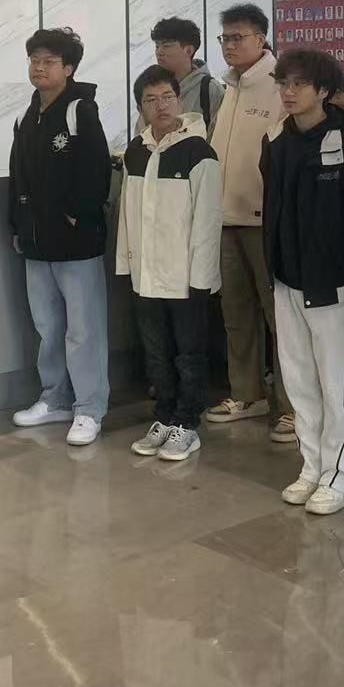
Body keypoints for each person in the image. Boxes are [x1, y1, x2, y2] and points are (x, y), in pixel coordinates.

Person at [262, 49, 344, 515]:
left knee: (336, 384)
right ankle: (312, 466)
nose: (288, 92)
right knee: (299, 380)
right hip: (286, 279)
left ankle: (341, 476)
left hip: (333, 285)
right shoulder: (276, 140)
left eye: (299, 84)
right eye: (283, 83)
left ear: (324, 91)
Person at [8, 27, 113, 445]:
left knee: (83, 329)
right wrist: (16, 226)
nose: (39, 67)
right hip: (36, 240)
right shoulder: (26, 116)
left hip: (76, 242)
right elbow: (17, 177)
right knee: (48, 326)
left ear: (69, 68)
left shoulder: (80, 111)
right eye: (34, 59)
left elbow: (97, 172)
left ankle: (90, 408)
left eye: (49, 61)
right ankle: (55, 399)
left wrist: (75, 217)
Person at [118, 66, 222, 463]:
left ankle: (187, 423)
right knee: (156, 352)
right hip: (146, 274)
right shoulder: (136, 151)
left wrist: (202, 278)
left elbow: (208, 221)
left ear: (178, 99)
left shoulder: (199, 152)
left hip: (185, 276)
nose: (160, 106)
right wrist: (127, 264)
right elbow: (128, 213)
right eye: (150, 99)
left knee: (188, 353)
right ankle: (163, 416)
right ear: (140, 108)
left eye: (167, 97)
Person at [207, 4, 293, 439]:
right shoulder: (230, 87)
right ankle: (248, 393)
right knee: (236, 314)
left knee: (280, 319)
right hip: (225, 219)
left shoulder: (279, 86)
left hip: (264, 222)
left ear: (261, 39)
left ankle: (292, 405)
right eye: (224, 38)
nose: (229, 45)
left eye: (237, 37)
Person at [149, 16, 226, 135]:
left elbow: (219, 137)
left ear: (189, 50)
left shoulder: (210, 89)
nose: (159, 52)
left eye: (166, 46)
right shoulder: (151, 88)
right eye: (157, 46)